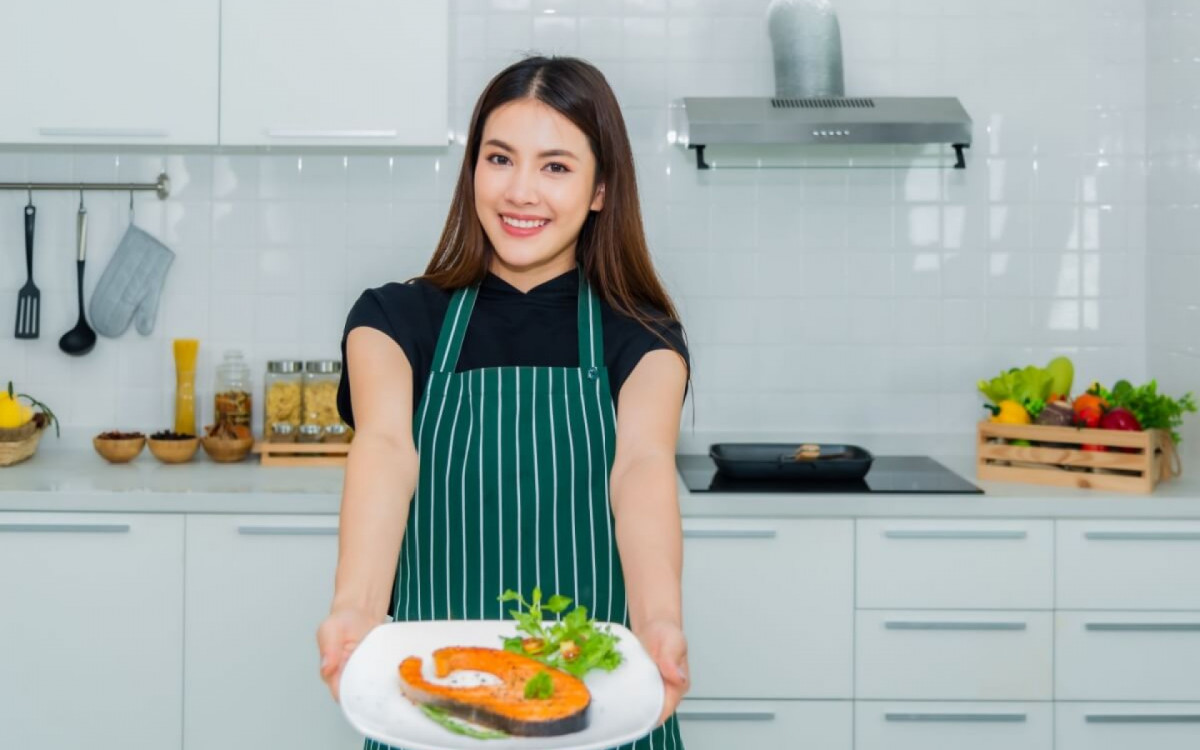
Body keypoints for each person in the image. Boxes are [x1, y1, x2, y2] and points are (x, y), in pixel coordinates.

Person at [317, 55, 691, 750]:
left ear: (601, 187)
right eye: (500, 159)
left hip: (601, 710)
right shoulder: (394, 321)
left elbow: (641, 464)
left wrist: (659, 619)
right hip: (433, 710)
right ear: (474, 171)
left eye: (555, 166)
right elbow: (386, 450)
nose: (522, 192)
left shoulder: (639, 337)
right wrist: (355, 609)